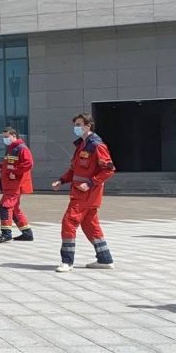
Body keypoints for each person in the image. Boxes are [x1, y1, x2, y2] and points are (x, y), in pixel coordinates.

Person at [52, 113, 116, 272]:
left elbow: (109, 170)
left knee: (68, 222)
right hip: (82, 193)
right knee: (90, 226)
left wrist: (90, 183)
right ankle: (105, 259)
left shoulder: (96, 145)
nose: (76, 128)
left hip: (86, 194)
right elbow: (75, 169)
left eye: (79, 124)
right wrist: (62, 180)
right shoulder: (82, 145)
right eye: (75, 125)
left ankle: (67, 261)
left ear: (88, 125)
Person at [0, 127, 34, 244]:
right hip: (10, 183)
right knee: (14, 208)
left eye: (6, 137)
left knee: (5, 206)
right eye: (3, 137)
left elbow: (29, 163)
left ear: (14, 135)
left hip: (15, 184)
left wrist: (14, 172)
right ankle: (27, 233)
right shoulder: (11, 148)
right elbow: (8, 163)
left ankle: (6, 233)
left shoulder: (21, 148)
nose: (4, 139)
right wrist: (0, 167)